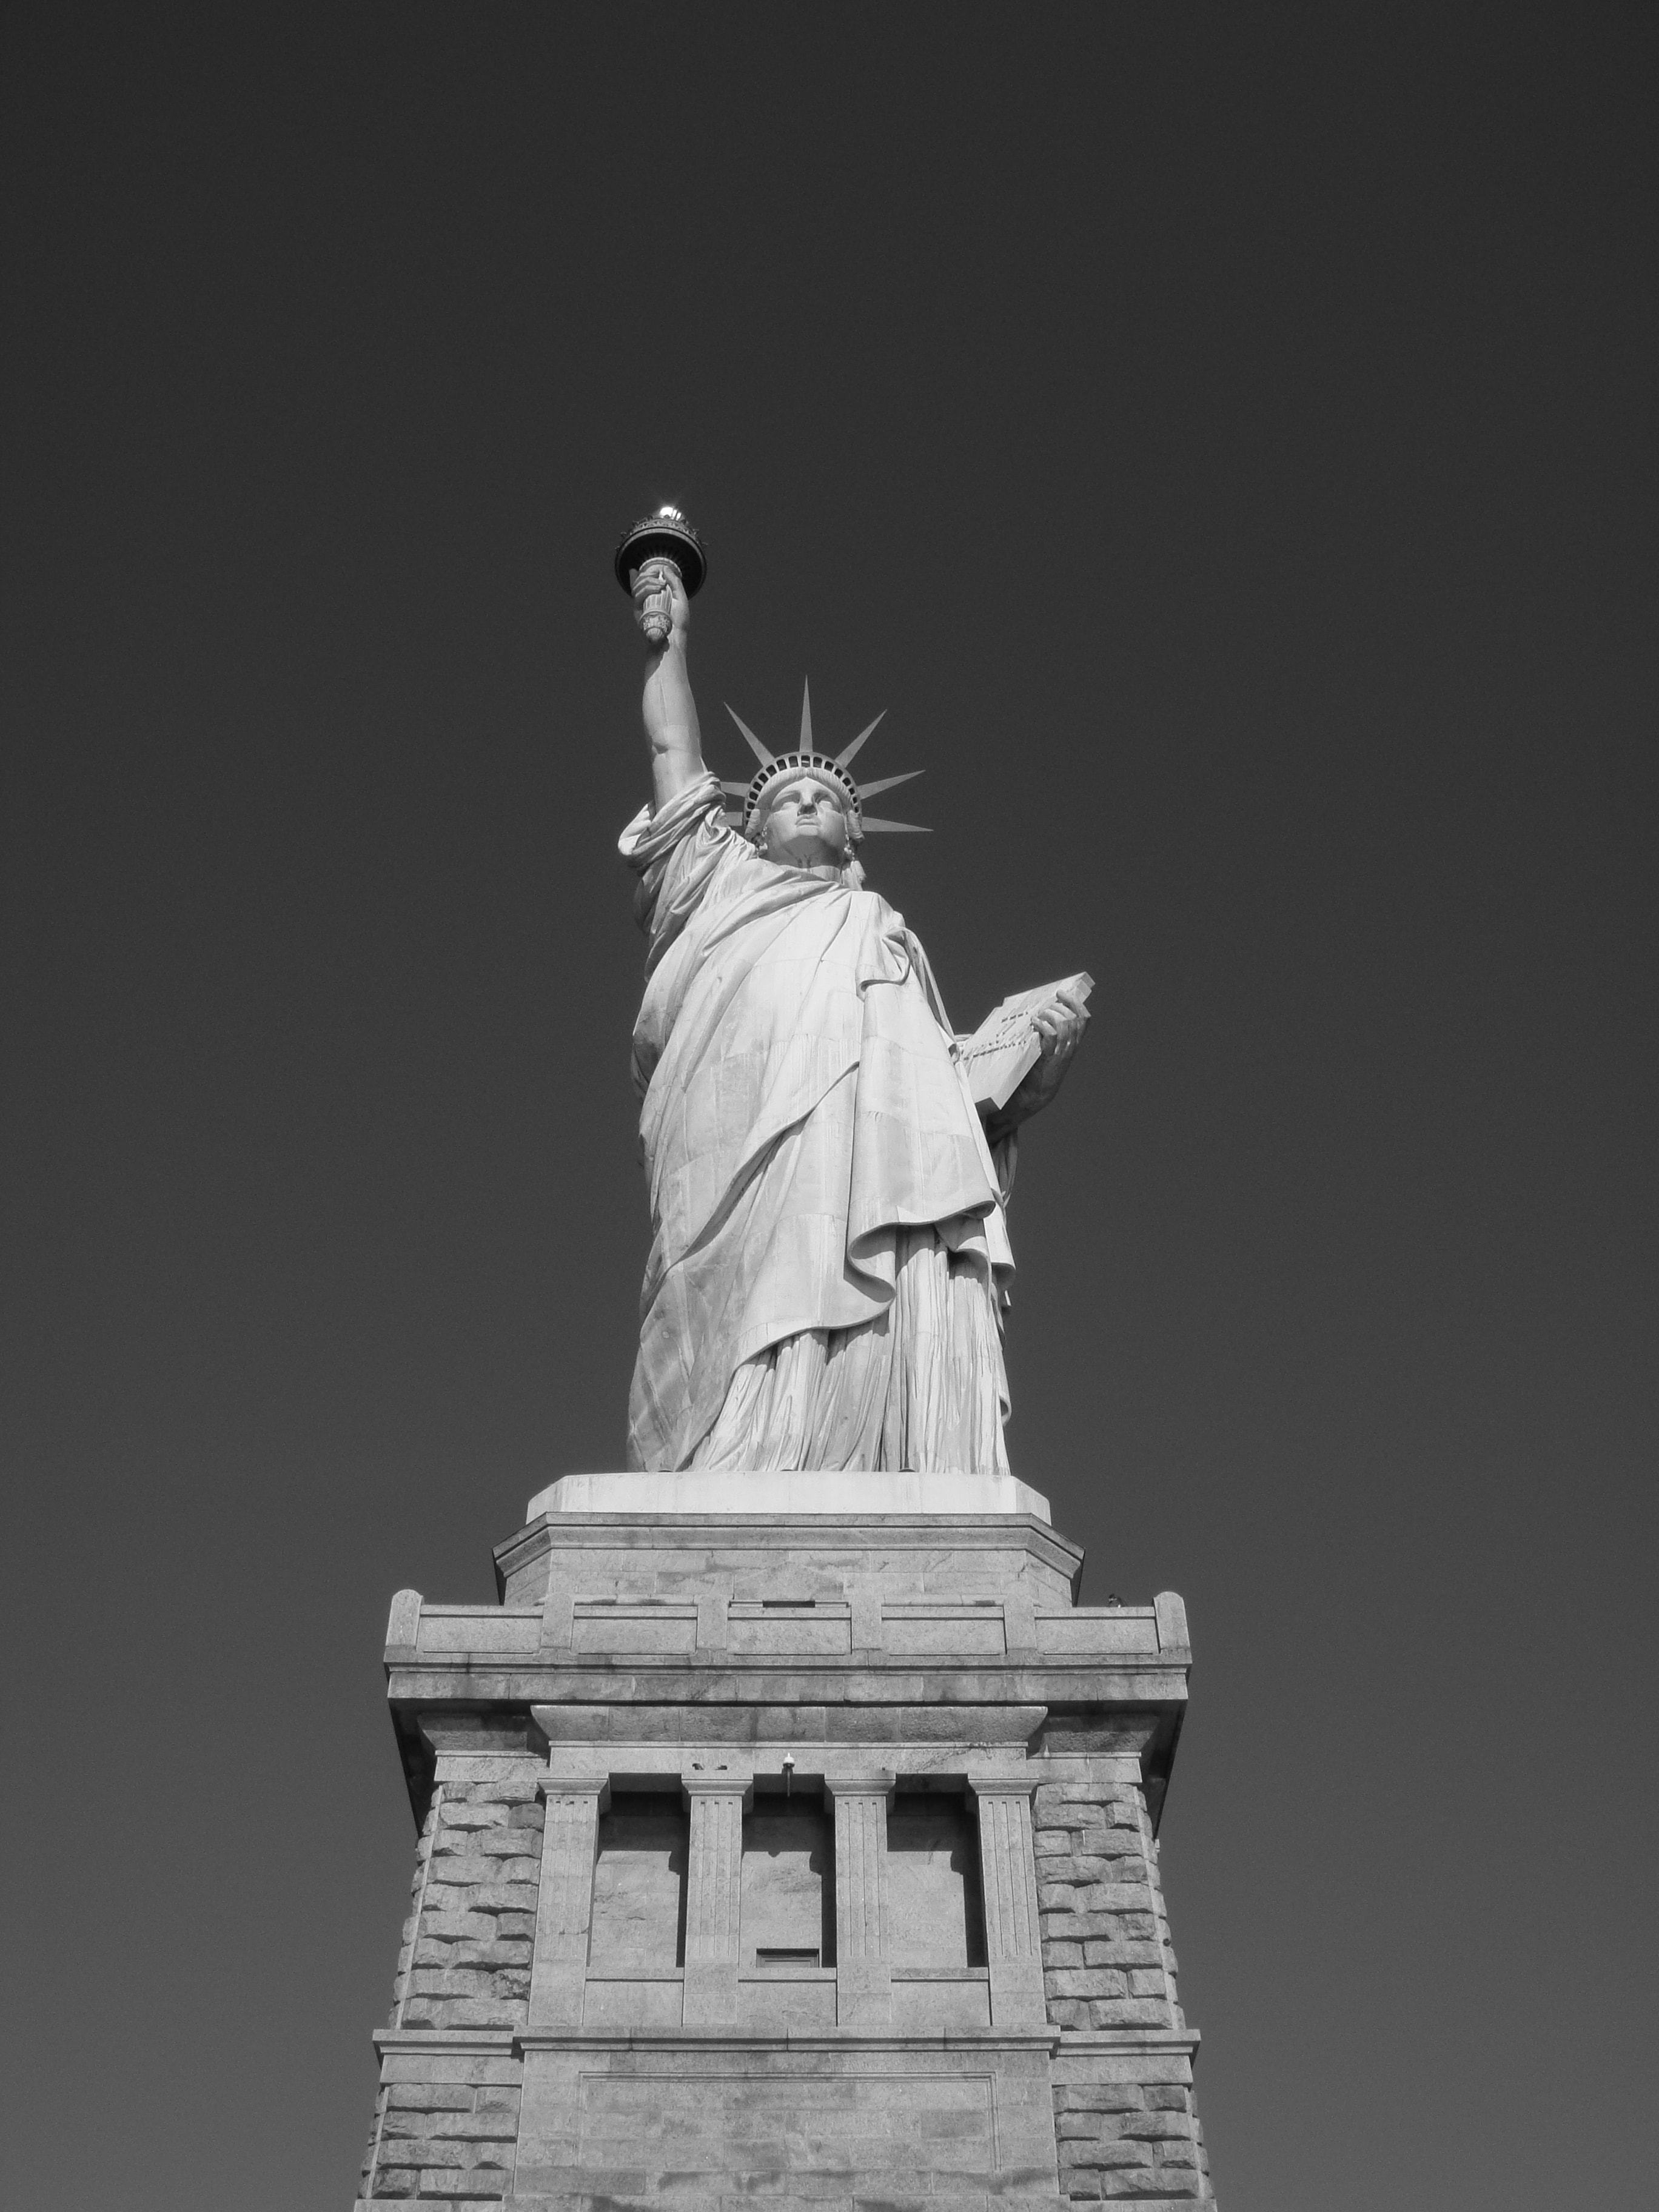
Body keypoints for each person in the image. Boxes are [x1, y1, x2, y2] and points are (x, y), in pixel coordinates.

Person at [620, 555, 1088, 1475]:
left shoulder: (885, 934)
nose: (805, 806)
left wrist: (1030, 1075)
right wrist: (670, 643)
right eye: (785, 800)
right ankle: (733, 1443)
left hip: (862, 1163)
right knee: (738, 1284)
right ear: (751, 827)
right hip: (735, 1141)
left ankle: (847, 1439)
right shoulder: (716, 882)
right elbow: (674, 754)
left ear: (852, 831)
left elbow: (938, 1105)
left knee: (869, 1243)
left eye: (825, 801)